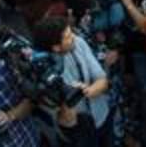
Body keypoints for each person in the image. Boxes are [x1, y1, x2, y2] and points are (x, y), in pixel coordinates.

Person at [32, 15, 113, 146]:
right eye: (68, 37)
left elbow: (102, 80)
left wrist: (88, 91)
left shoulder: (79, 43)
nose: (74, 38)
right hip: (79, 134)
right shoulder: (43, 71)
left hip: (102, 116)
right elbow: (60, 116)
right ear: (56, 47)